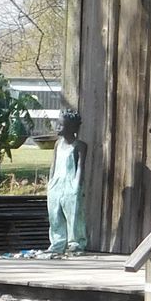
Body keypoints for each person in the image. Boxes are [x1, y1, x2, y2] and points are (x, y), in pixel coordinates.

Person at [45, 110, 88, 256]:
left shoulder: (80, 146)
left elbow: (81, 166)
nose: (57, 127)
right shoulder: (58, 144)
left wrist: (77, 185)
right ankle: (57, 243)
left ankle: (75, 243)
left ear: (72, 128)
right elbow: (53, 164)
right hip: (56, 183)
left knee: (74, 215)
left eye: (61, 125)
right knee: (55, 214)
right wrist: (50, 183)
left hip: (71, 183)